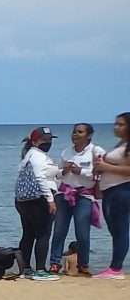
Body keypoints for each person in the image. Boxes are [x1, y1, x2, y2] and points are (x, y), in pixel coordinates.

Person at [50, 123, 103, 276]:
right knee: (59, 230)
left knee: (82, 232)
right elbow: (58, 175)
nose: (75, 135)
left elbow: (100, 171)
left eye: (79, 132)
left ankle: (84, 264)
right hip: (65, 193)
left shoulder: (95, 151)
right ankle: (54, 263)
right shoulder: (66, 152)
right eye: (74, 132)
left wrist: (81, 171)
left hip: (84, 195)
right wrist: (63, 170)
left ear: (88, 135)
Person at [14, 127, 61, 280]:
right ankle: (40, 270)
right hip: (38, 200)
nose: (48, 143)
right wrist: (50, 199)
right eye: (45, 140)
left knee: (28, 234)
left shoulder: (29, 155)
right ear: (35, 141)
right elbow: (40, 178)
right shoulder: (38, 156)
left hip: (24, 200)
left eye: (49, 140)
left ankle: (25, 268)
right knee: (43, 234)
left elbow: (46, 175)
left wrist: (62, 171)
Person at [94, 112, 130, 279]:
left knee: (120, 229)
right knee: (115, 229)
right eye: (115, 123)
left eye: (120, 124)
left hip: (121, 191)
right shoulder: (121, 144)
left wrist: (105, 166)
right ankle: (115, 267)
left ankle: (115, 269)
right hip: (111, 191)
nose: (116, 127)